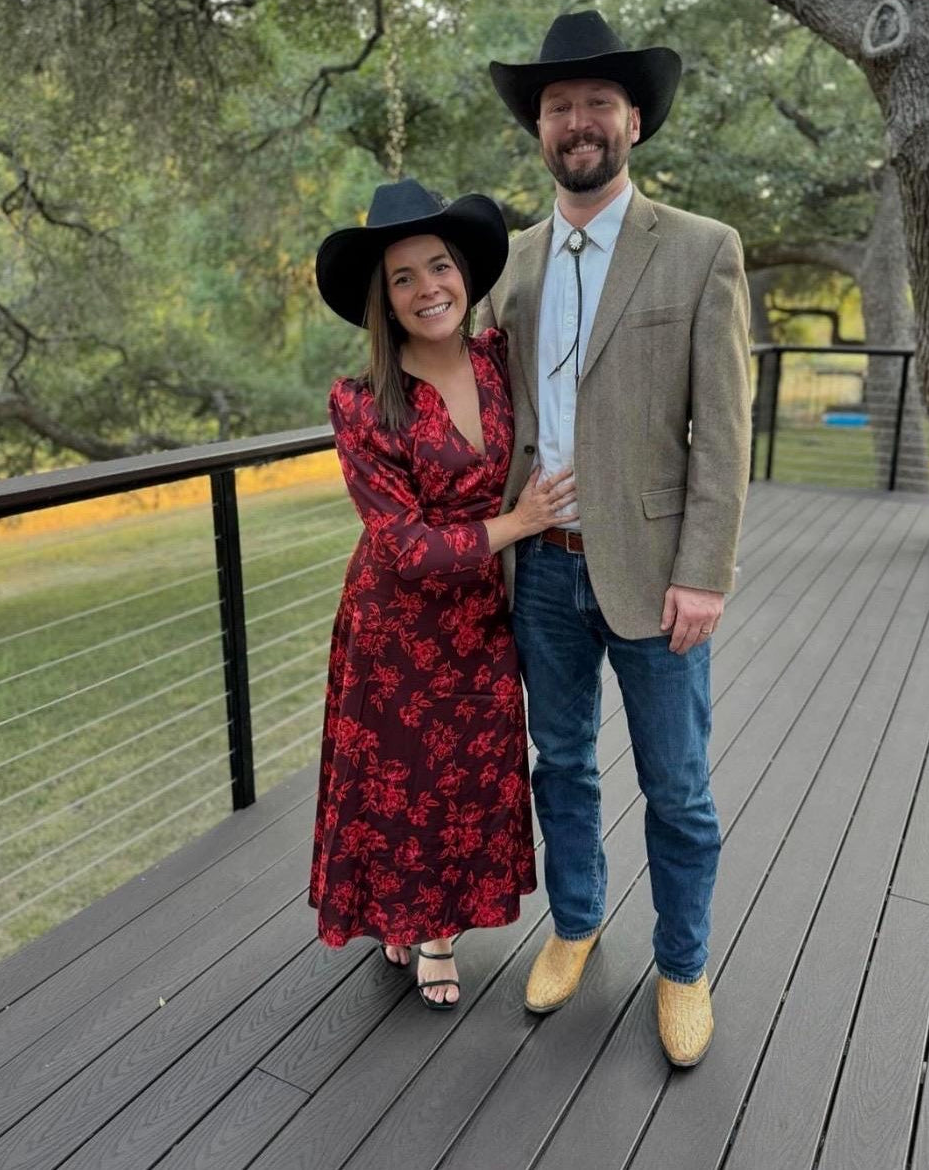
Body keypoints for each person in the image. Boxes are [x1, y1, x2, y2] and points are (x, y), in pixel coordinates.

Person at [478, 10, 752, 1064]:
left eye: (599, 102)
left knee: (677, 785)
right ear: (539, 128)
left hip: (654, 574)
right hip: (543, 575)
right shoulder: (510, 264)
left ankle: (683, 966)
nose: (579, 121)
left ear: (634, 120)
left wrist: (705, 572)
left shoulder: (701, 250)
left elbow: (722, 432)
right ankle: (578, 923)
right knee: (561, 764)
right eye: (560, 106)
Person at [309, 178, 578, 1010]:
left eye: (439, 267)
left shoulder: (499, 361)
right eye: (403, 277)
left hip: (483, 618)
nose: (427, 288)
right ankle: (423, 930)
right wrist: (520, 522)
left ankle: (426, 919)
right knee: (400, 782)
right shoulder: (362, 403)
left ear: (464, 274)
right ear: (384, 301)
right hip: (397, 629)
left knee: (464, 781)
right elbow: (405, 545)